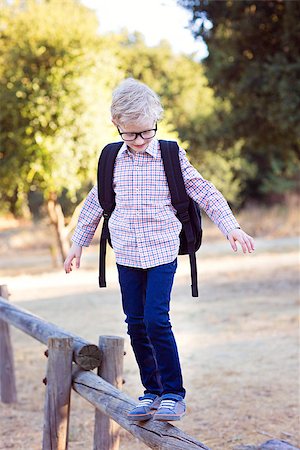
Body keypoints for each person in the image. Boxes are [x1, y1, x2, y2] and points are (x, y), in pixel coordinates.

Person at [64, 78, 255, 422]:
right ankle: (151, 391)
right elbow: (94, 203)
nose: (139, 141)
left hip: (161, 252)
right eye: (130, 134)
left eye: (146, 132)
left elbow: (205, 191)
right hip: (125, 253)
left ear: (156, 121)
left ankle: (173, 393)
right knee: (135, 324)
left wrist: (231, 226)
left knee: (156, 320)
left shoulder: (170, 154)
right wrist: (78, 244)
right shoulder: (110, 159)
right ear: (116, 124)